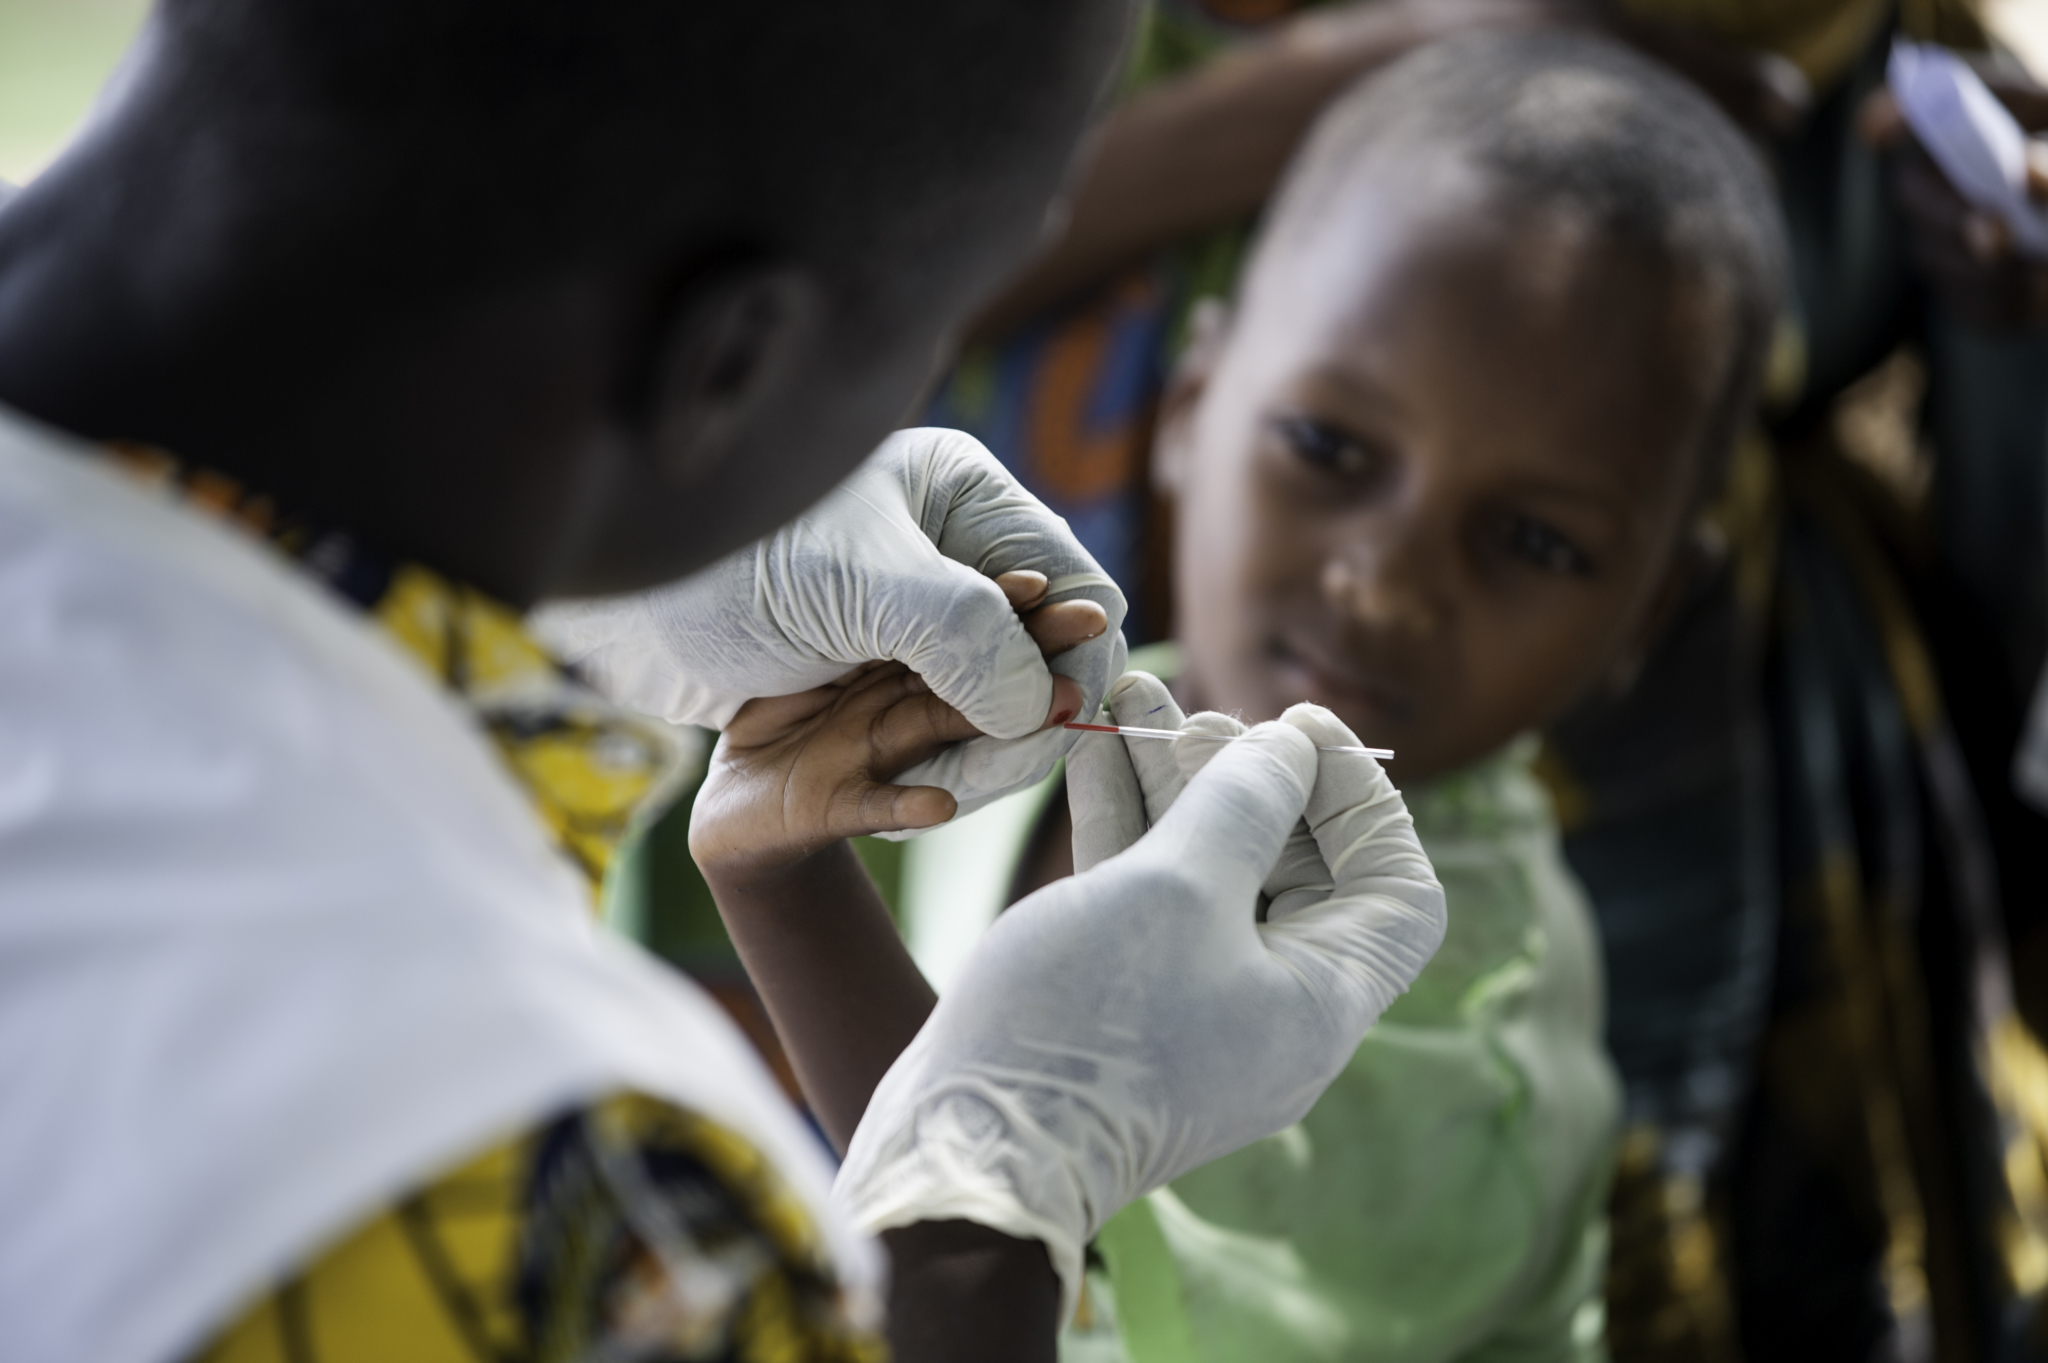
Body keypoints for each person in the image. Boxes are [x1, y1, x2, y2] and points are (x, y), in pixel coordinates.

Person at [0, 1, 1451, 1360]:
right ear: (728, 361)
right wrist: (987, 1196)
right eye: (929, 334)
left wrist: (567, 619)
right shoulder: (581, 1198)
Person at [561, 28, 1787, 1363]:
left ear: (1647, 618)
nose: (1383, 586)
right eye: (1329, 447)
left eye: (1537, 542)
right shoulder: (1092, 705)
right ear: (1193, 408)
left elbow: (1012, 1265)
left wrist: (800, 916)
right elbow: (961, 1161)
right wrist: (777, 871)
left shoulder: (1454, 1041)